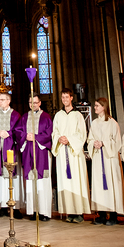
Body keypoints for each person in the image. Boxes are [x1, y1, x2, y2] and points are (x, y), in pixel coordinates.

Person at [51, 88, 90, 223]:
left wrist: (70, 140)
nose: (65, 100)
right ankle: (69, 211)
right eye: (63, 97)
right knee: (65, 181)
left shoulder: (77, 115)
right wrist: (59, 138)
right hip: (62, 151)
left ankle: (79, 212)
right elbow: (54, 132)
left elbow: (82, 133)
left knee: (76, 180)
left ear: (71, 98)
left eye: (67, 97)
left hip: (74, 153)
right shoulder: (58, 115)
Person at [14, 93, 53, 220]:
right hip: (28, 152)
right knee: (31, 181)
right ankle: (33, 211)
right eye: (31, 103)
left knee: (42, 182)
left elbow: (49, 133)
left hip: (41, 152)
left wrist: (36, 137)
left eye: (35, 103)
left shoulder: (46, 117)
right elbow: (18, 131)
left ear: (40, 103)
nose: (33, 105)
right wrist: (25, 136)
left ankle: (44, 212)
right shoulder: (25, 117)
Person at [89, 97, 124, 226]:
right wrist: (94, 143)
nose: (95, 108)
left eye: (97, 105)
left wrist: (104, 143)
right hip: (98, 158)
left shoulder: (112, 123)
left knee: (111, 185)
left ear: (104, 107)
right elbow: (89, 139)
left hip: (109, 159)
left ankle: (113, 215)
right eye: (95, 105)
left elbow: (117, 142)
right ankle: (102, 214)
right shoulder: (94, 123)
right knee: (99, 186)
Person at [0, 92, 22, 215]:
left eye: (2, 100)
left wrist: (9, 133)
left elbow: (19, 131)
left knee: (13, 177)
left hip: (12, 149)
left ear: (8, 101)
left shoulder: (16, 115)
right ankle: (1, 206)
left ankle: (15, 208)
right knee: (0, 178)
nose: (0, 102)